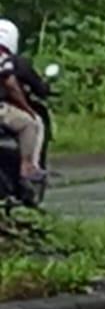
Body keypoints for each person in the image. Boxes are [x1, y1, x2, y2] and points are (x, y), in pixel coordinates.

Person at [0, 21, 46, 188]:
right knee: (30, 123)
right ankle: (27, 167)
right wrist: (26, 108)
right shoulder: (4, 57)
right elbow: (11, 84)